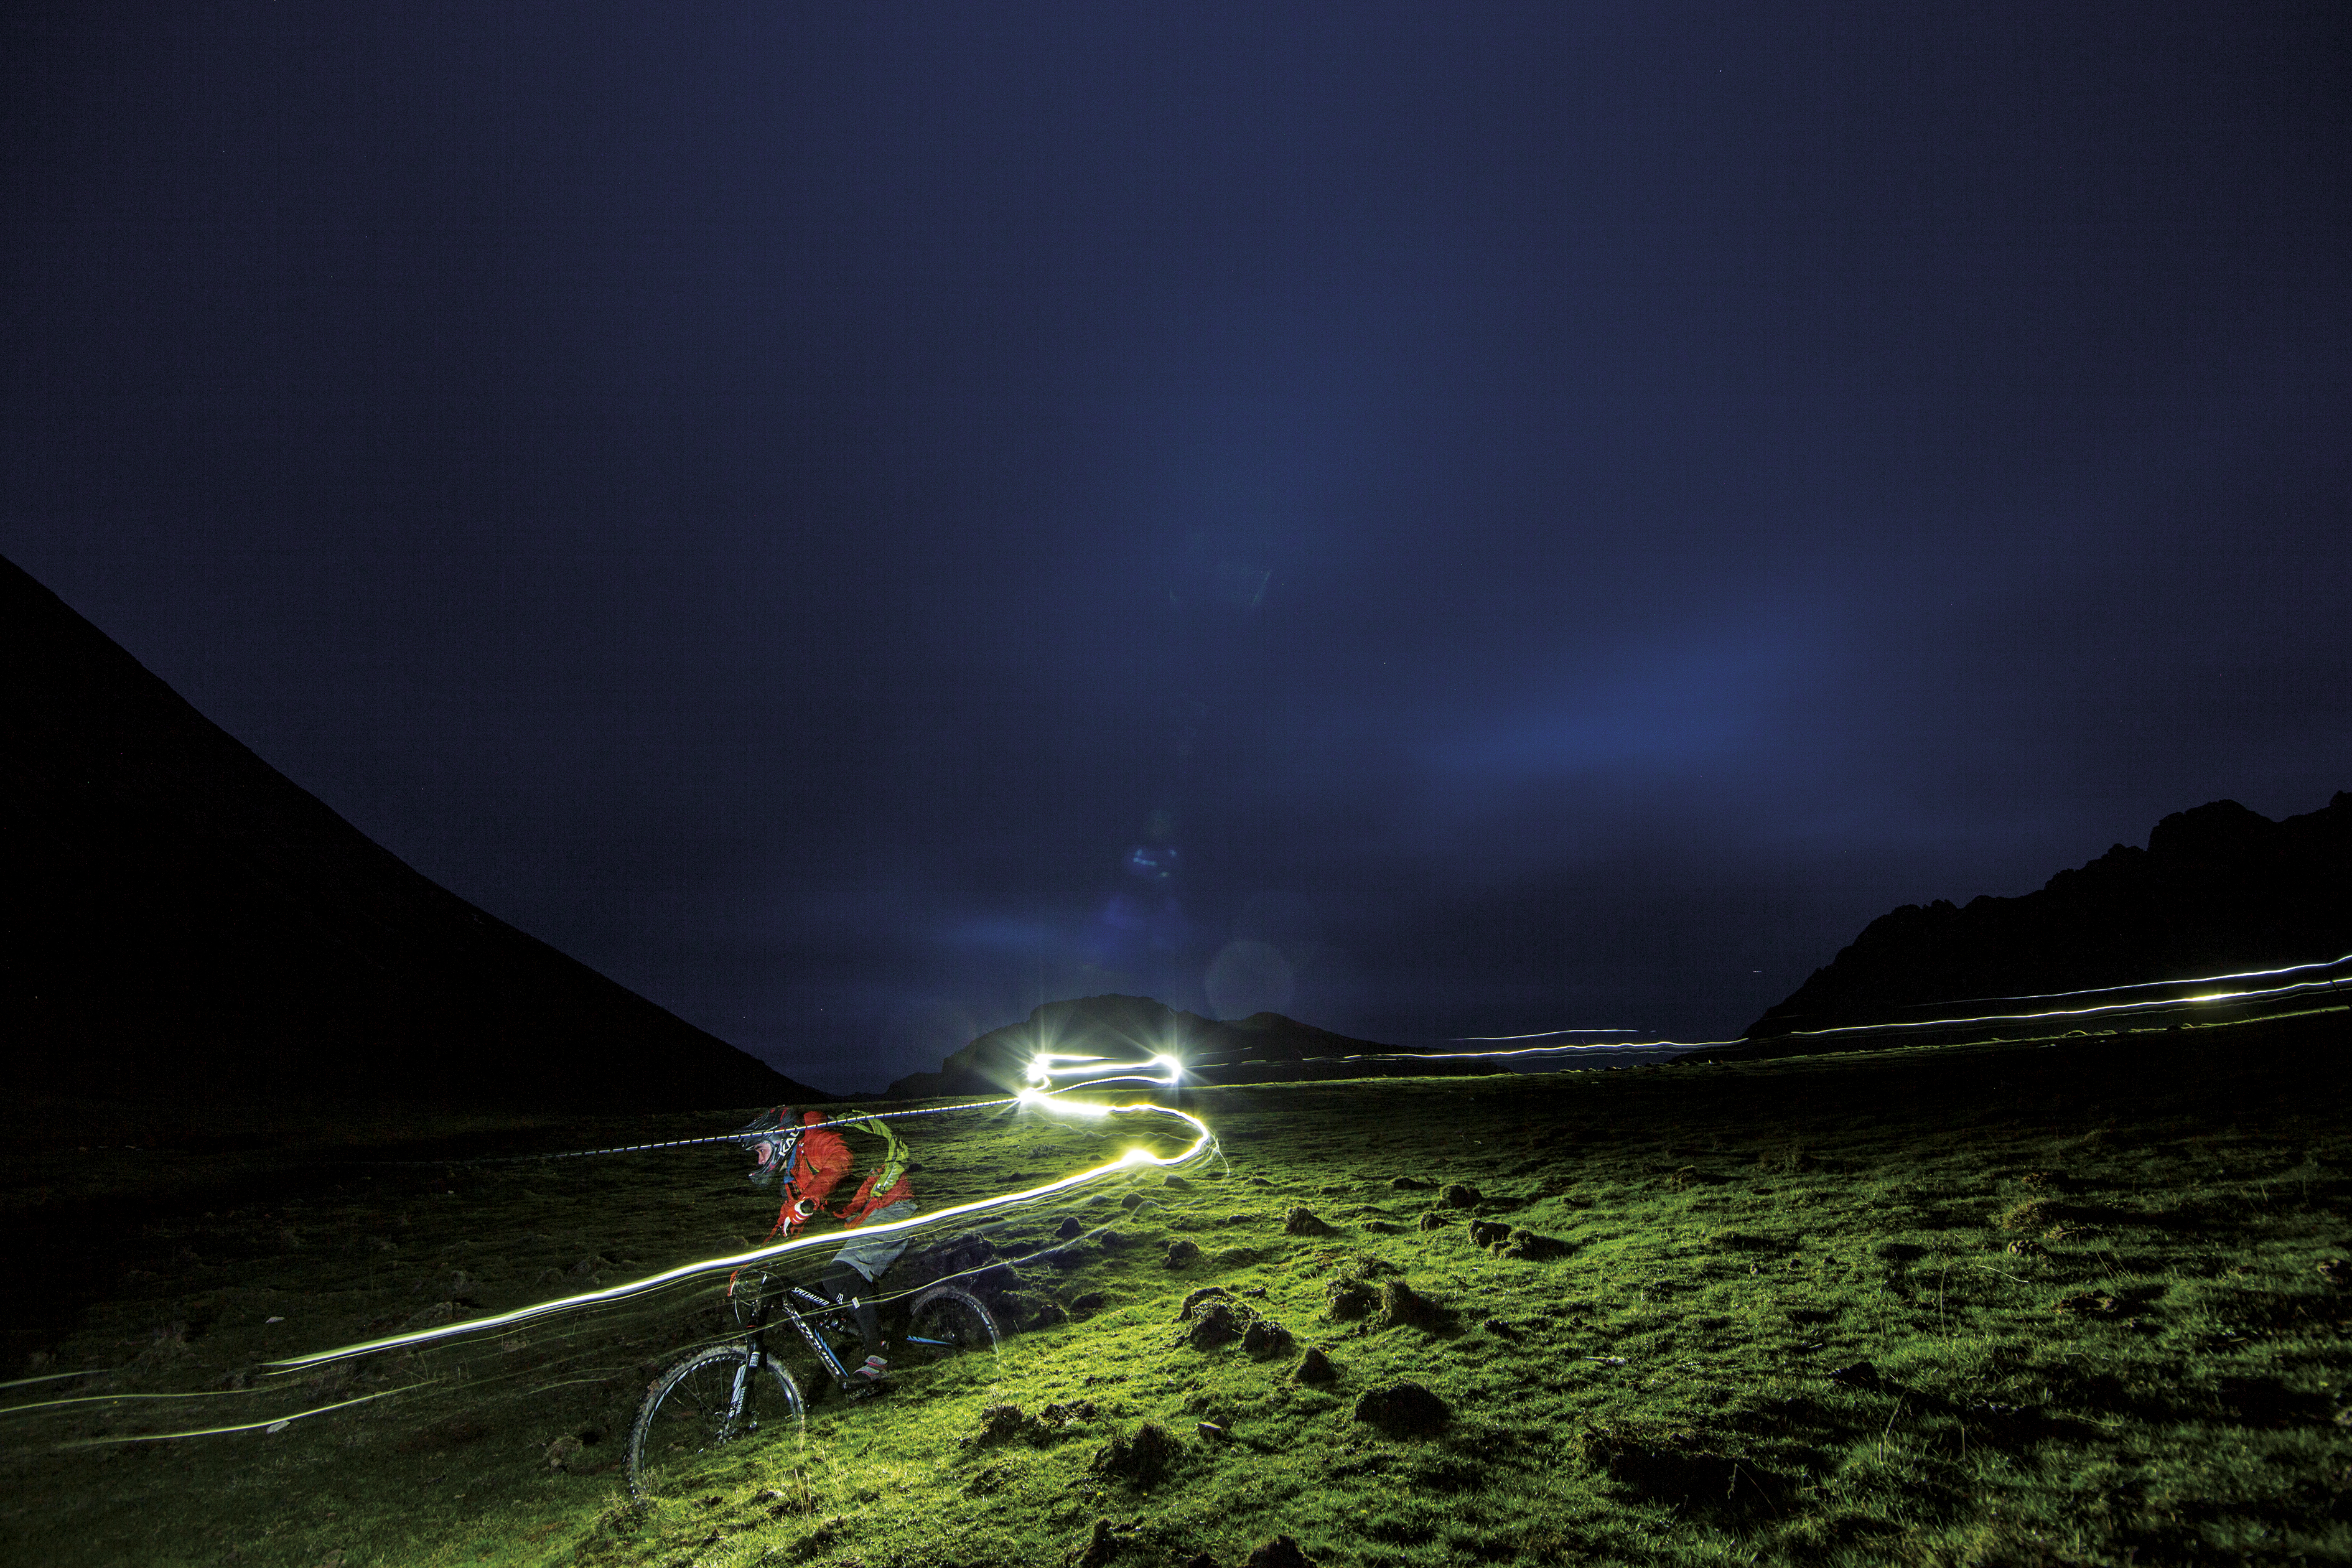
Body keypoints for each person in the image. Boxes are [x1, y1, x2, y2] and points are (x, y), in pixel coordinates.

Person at [739, 1106, 917, 1387]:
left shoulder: (816, 1138)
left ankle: (878, 1360)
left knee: (842, 1275)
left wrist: (810, 1199)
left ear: (780, 1139)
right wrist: (750, 1264)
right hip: (866, 1214)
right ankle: (873, 1323)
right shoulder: (793, 1172)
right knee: (827, 1284)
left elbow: (842, 1160)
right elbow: (787, 1221)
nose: (760, 1160)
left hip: (893, 1202)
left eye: (760, 1150)